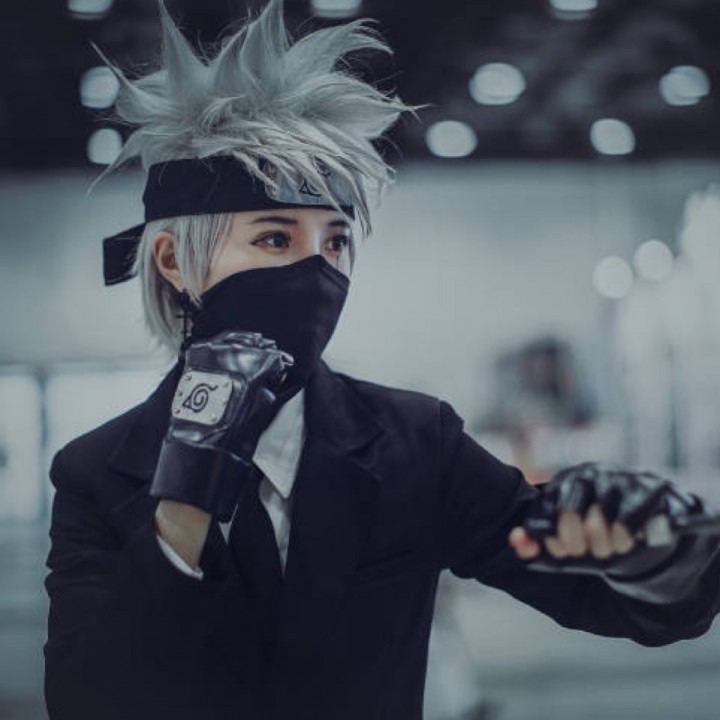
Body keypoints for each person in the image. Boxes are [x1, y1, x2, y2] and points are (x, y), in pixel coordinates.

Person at [43, 2, 720, 719]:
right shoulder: (94, 473)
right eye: (274, 239)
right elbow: (89, 700)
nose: (317, 270)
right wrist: (188, 491)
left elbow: (609, 594)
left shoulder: (415, 443)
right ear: (175, 260)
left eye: (336, 242)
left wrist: (657, 549)